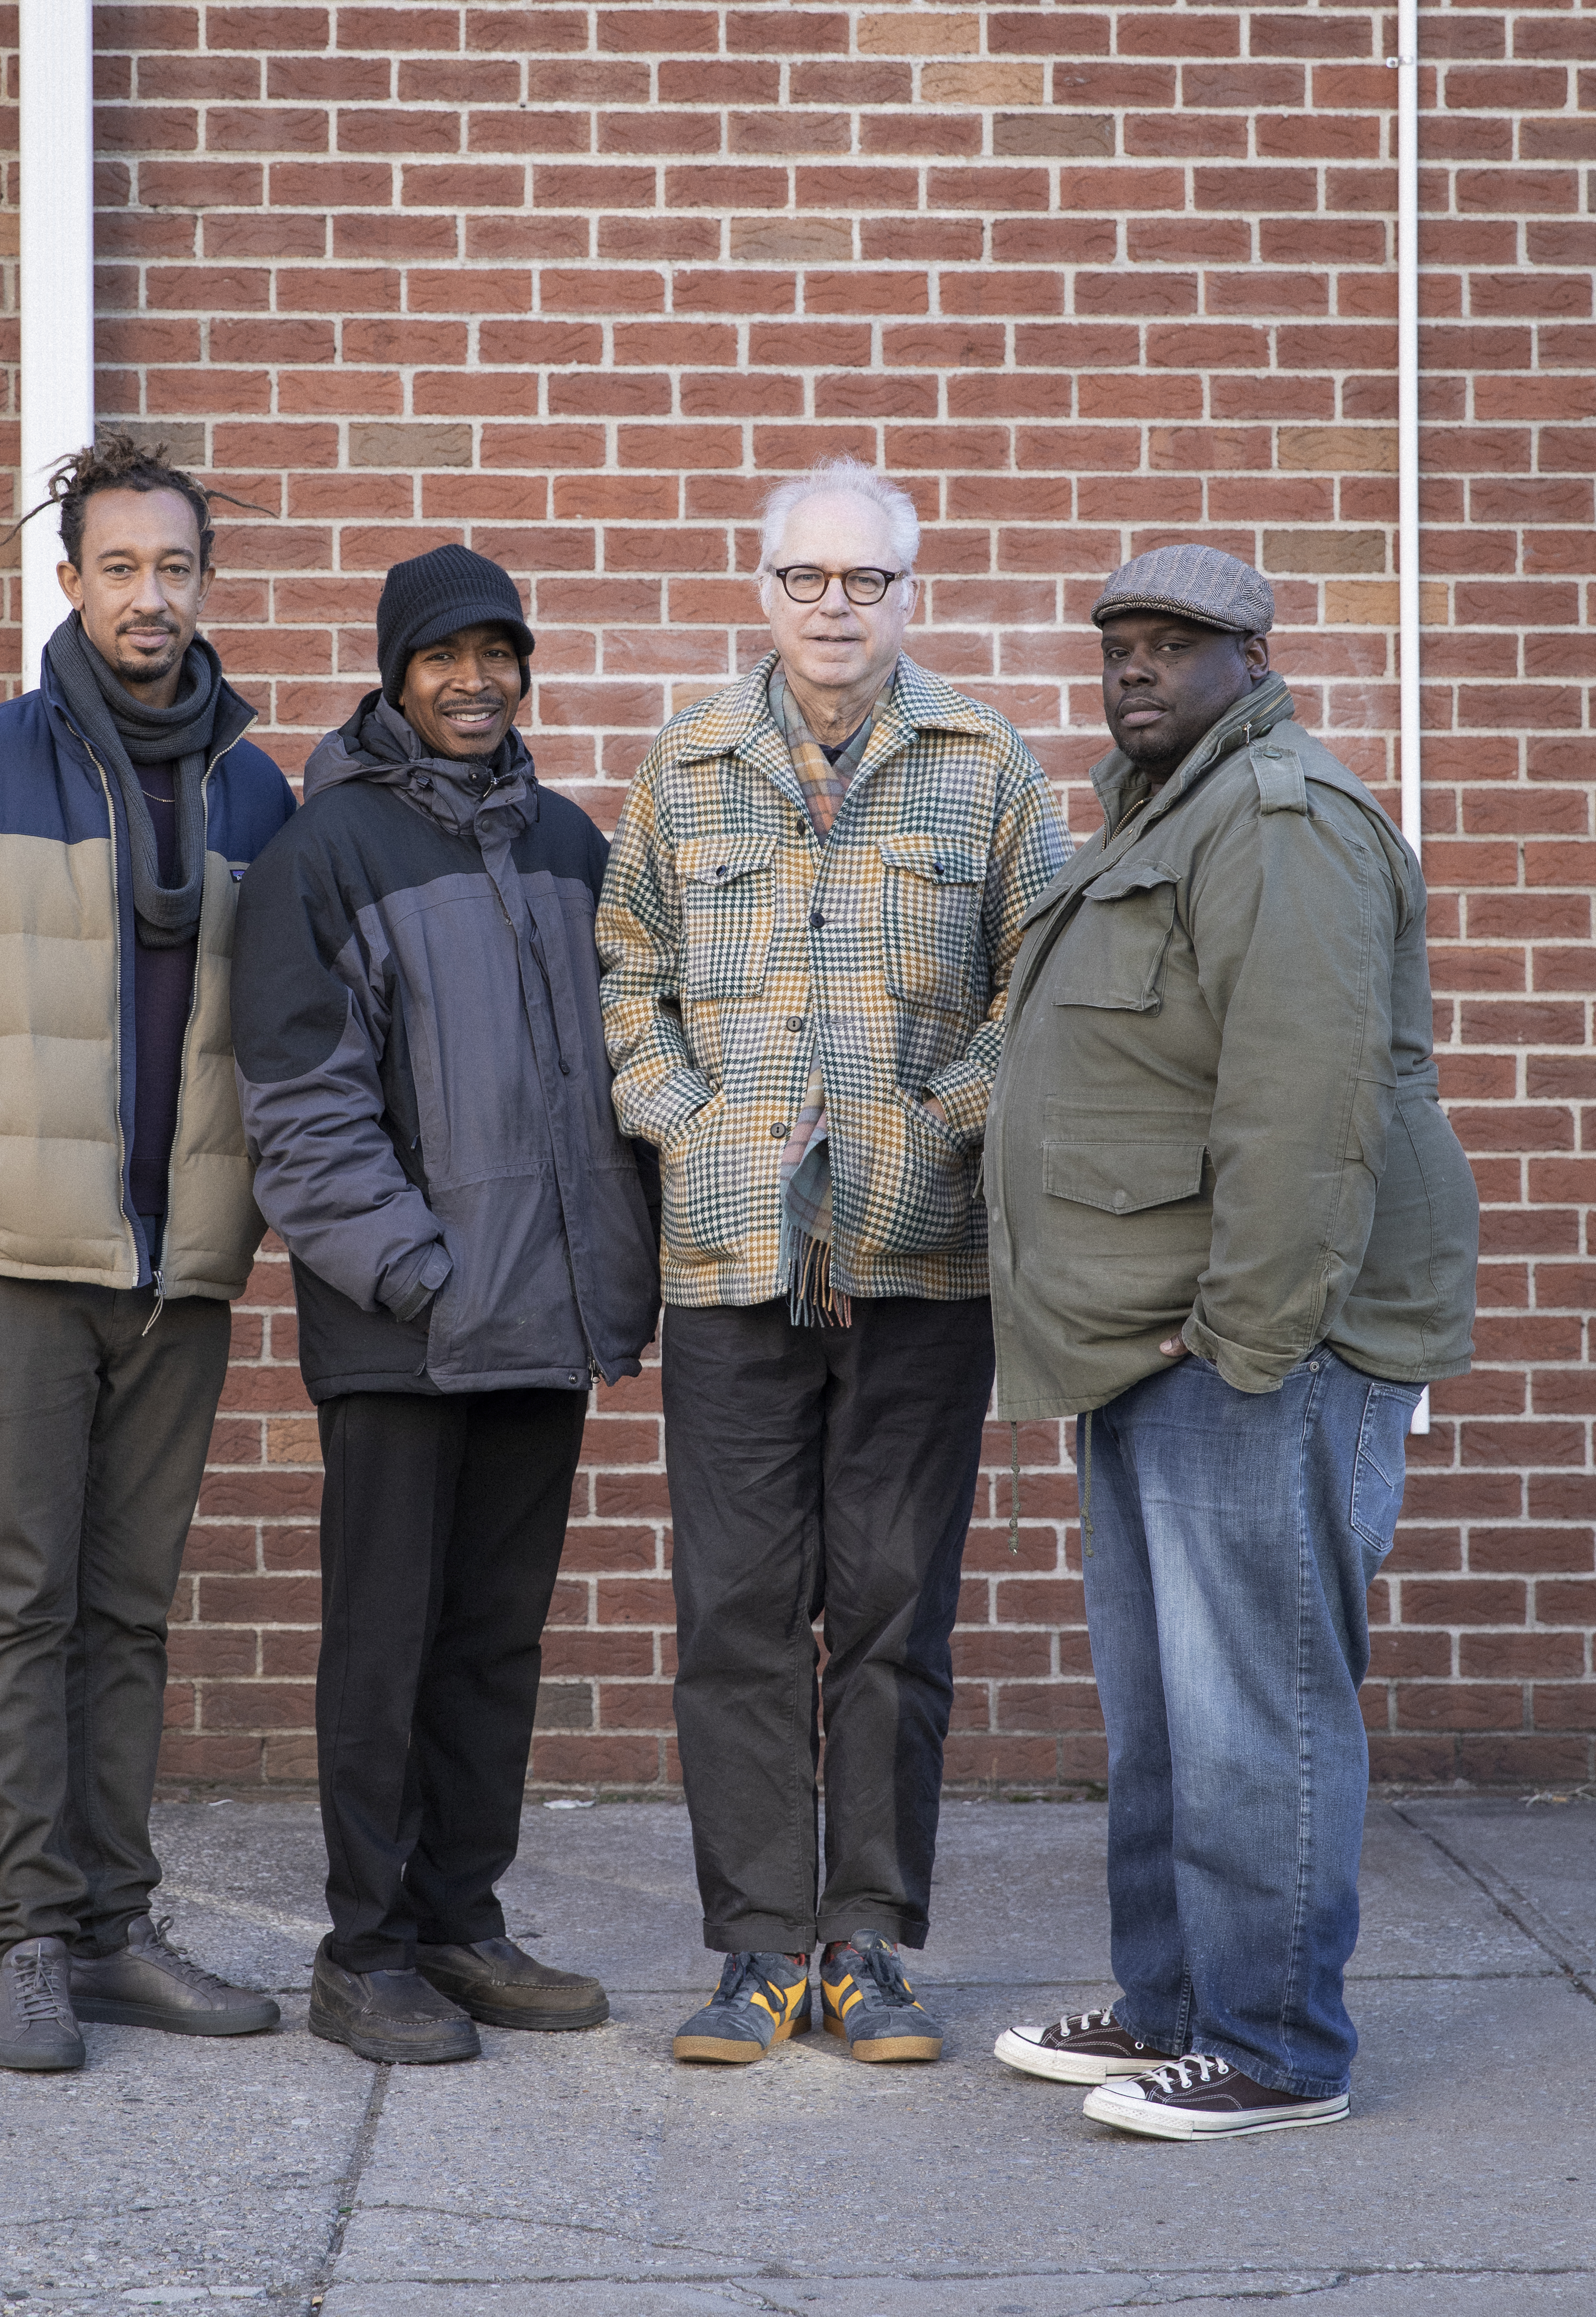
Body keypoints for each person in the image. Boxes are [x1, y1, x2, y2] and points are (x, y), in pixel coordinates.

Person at [985, 543, 1479, 2139]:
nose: (1135, 666)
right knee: (1168, 1704)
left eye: (1176, 643)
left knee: (1257, 1696)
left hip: (1252, 1347)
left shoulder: (1285, 821)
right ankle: (1174, 2007)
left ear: (1253, 659)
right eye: (1118, 639)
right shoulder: (1165, 810)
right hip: (1151, 1341)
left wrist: (1245, 1341)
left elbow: (1305, 1103)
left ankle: (1276, 2044)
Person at [0, 435, 294, 2072]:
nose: (148, 596)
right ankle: (26, 1934)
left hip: (180, 1275)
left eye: (175, 568)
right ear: (70, 579)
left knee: (131, 1613)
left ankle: (113, 1928)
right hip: (11, 1265)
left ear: (201, 581)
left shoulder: (254, 787)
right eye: (119, 568)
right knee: (24, 1605)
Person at [596, 457, 1070, 2066]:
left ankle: (866, 1944)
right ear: (763, 588)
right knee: (735, 1608)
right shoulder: (683, 765)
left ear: (910, 595)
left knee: (889, 1607)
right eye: (807, 577)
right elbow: (625, 978)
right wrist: (698, 1125)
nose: (835, 607)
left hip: (922, 1263)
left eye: (866, 581)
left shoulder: (988, 767)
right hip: (730, 1260)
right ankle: (751, 1952)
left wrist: (937, 1127)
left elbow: (1042, 996)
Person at [230, 543, 660, 2066]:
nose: (475, 681)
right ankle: (366, 1950)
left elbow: (619, 1066)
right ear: (395, 675)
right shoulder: (325, 849)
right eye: (443, 658)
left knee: (493, 1641)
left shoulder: (566, 840)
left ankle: (463, 1923)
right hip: (404, 1325)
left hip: (543, 1321)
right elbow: (301, 1104)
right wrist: (421, 1272)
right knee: (387, 1642)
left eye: (499, 653)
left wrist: (619, 1260)